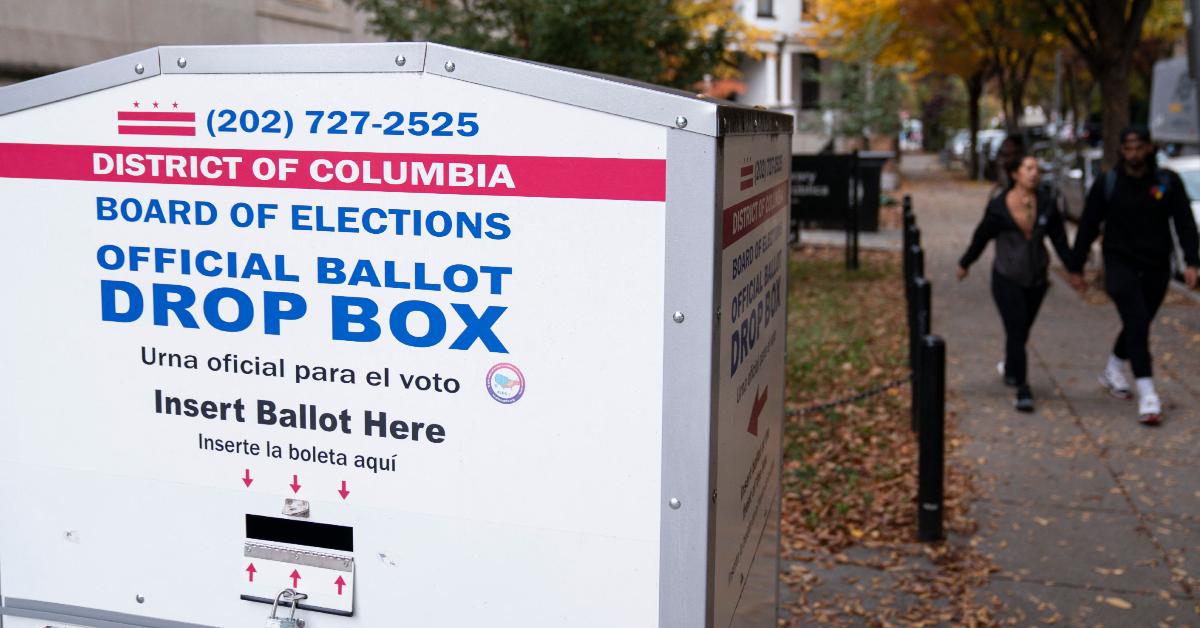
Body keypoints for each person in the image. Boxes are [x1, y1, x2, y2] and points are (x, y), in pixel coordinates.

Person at [1067, 125, 1200, 426]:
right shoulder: (1109, 182)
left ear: (1150, 148)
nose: (1133, 153)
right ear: (1121, 151)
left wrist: (1192, 261)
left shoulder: (1167, 182)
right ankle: (1148, 393)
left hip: (1156, 264)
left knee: (1138, 323)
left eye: (1139, 147)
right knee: (1137, 321)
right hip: (1119, 262)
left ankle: (1113, 368)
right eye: (1128, 148)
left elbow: (1184, 222)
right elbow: (1088, 223)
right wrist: (1075, 266)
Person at [958, 153, 1072, 412]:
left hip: (1037, 279)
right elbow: (981, 236)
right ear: (1015, 174)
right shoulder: (999, 206)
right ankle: (1022, 388)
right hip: (1006, 277)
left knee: (1020, 331)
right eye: (1028, 168)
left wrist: (1073, 270)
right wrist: (966, 262)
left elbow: (1059, 240)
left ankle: (1011, 367)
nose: (1034, 173)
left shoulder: (1046, 202)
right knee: (1017, 329)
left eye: (1037, 169)